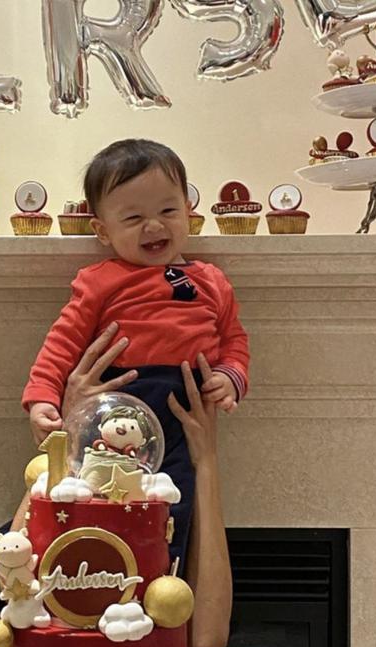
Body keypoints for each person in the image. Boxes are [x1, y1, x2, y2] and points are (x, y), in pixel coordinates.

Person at [21, 138, 249, 571]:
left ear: (189, 211)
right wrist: (43, 400)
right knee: (98, 498)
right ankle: (95, 574)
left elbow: (234, 340)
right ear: (103, 231)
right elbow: (61, 345)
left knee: (173, 500)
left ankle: (161, 578)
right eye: (133, 218)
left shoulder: (212, 281)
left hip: (183, 412)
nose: (154, 226)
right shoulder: (100, 281)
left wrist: (230, 376)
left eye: (168, 210)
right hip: (115, 405)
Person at [11, 325, 232, 647]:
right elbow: (9, 586)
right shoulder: (65, 491)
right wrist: (69, 430)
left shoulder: (168, 496)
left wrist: (206, 460)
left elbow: (206, 640)